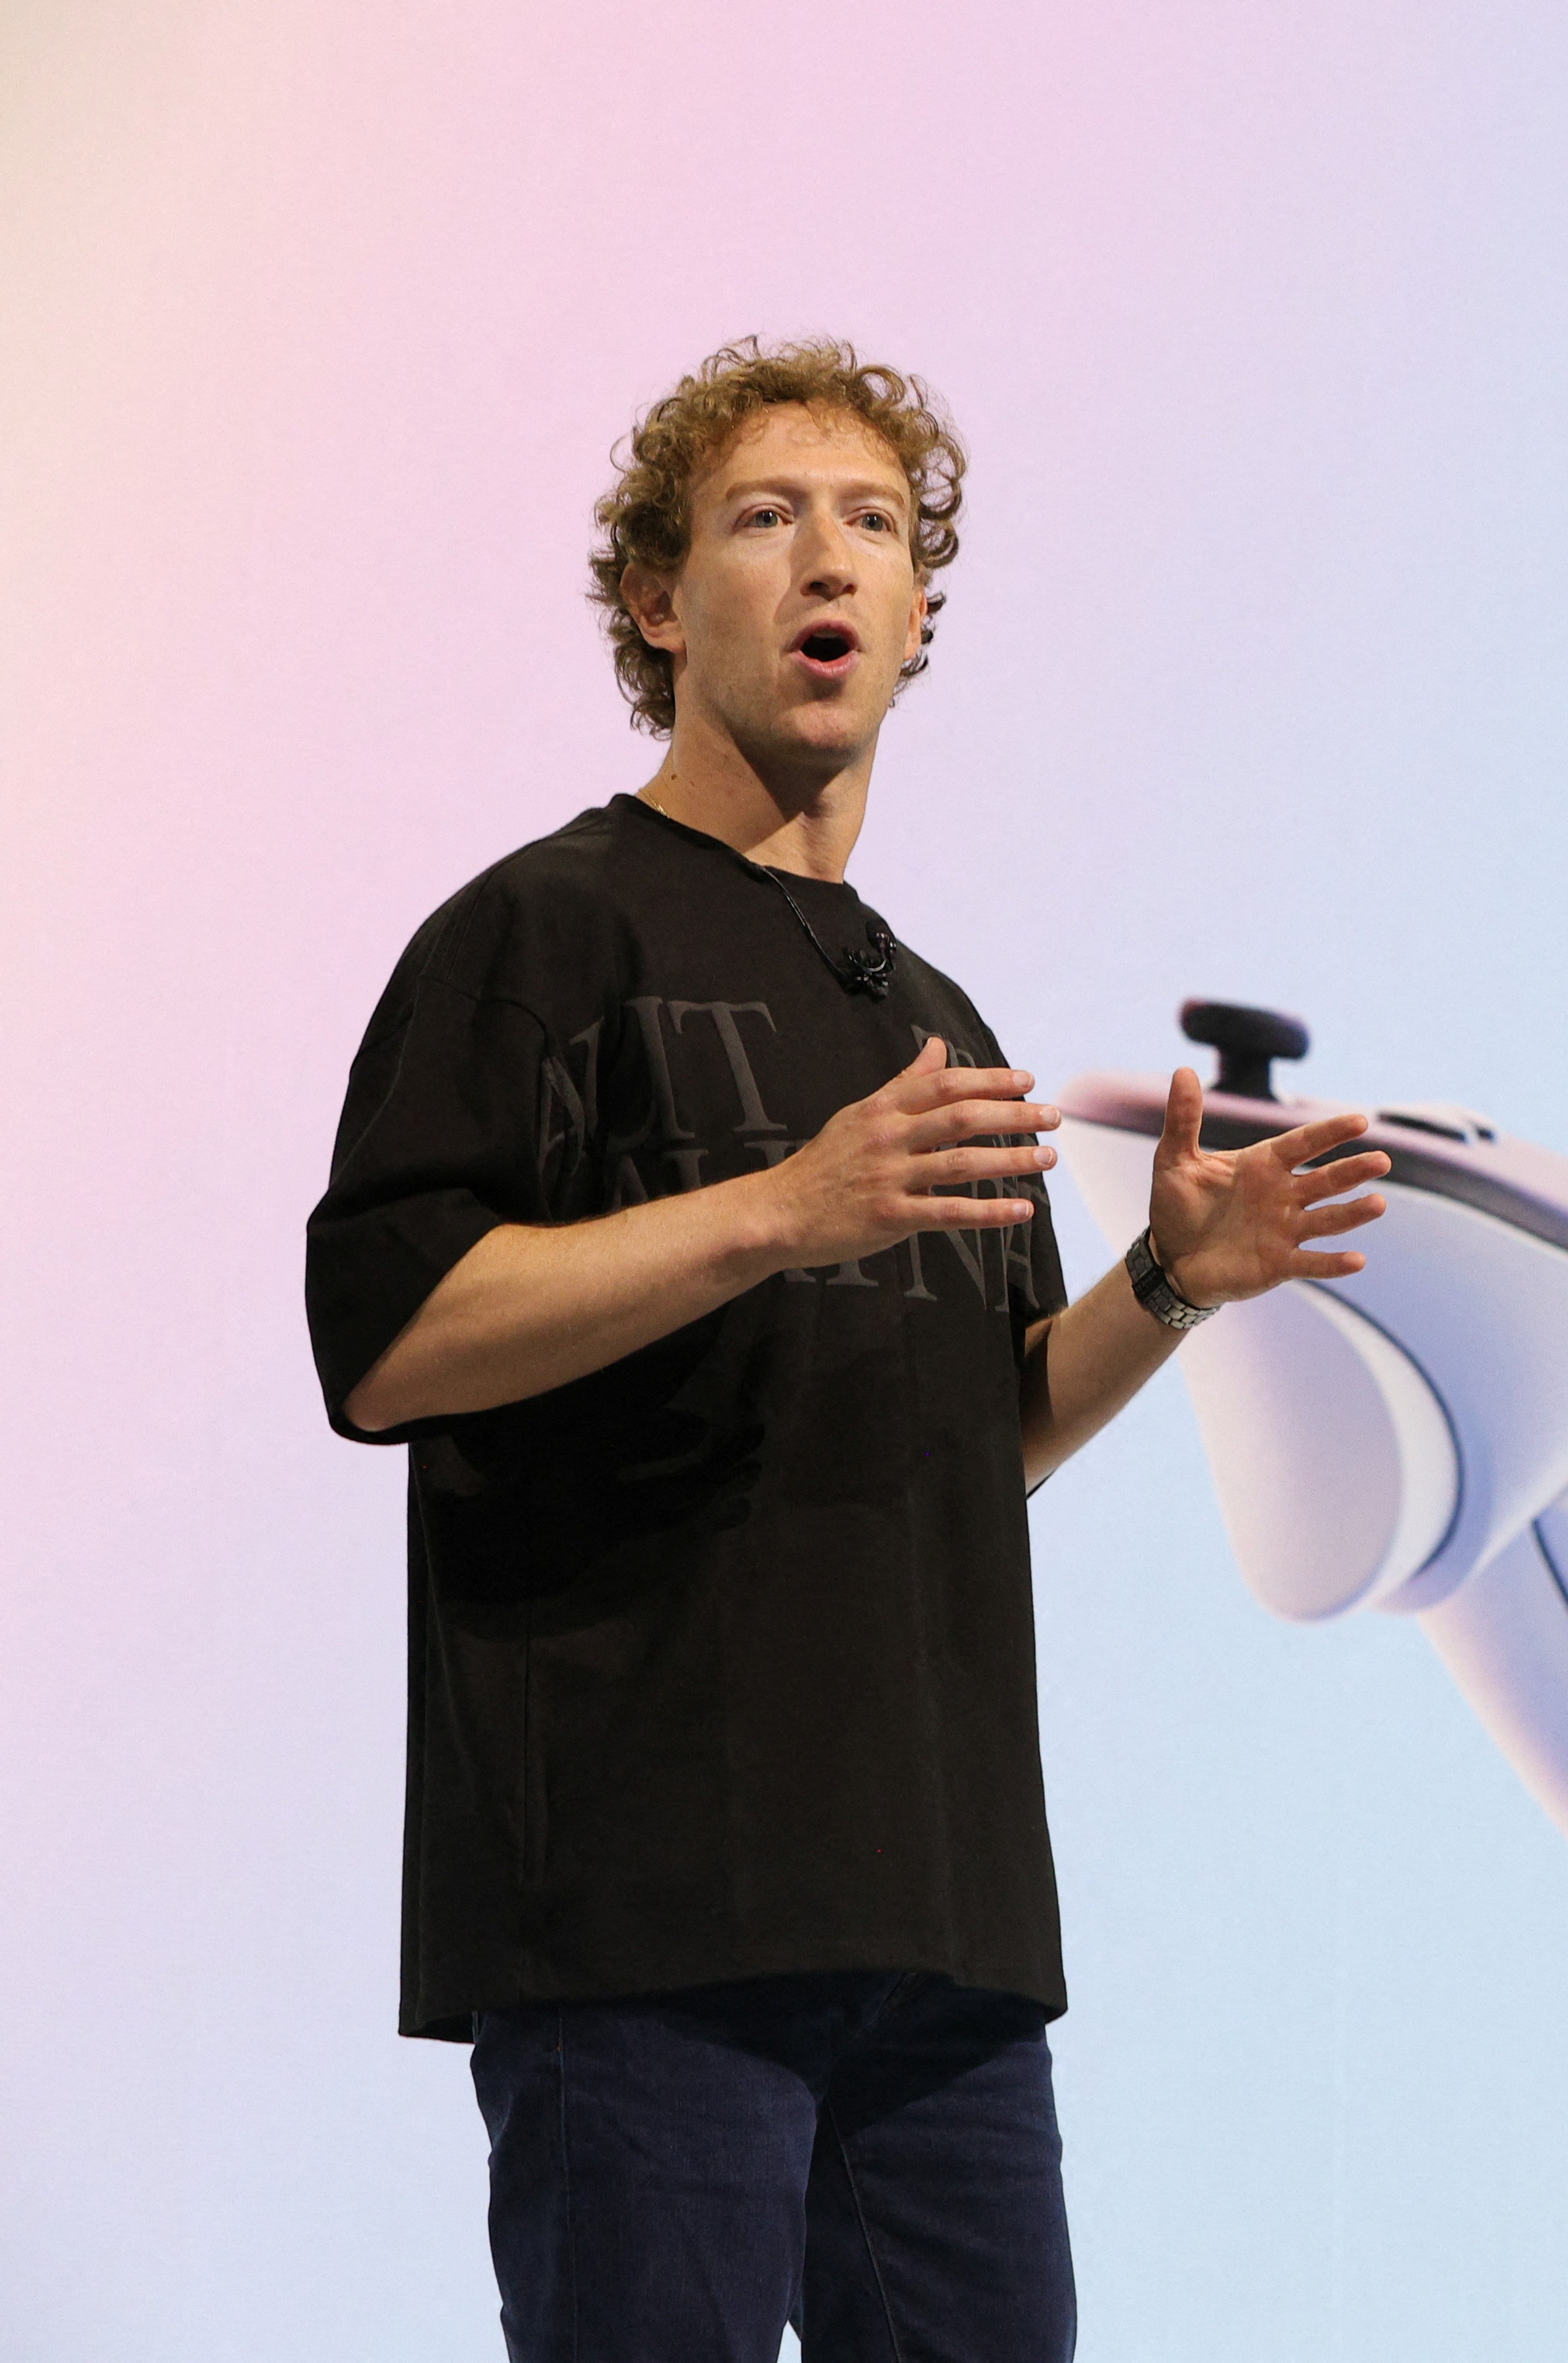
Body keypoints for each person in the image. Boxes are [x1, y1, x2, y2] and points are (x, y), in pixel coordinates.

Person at [303, 337, 1382, 2362]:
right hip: (648, 1928)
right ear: (658, 601)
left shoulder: (933, 1019)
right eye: (767, 516)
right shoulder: (542, 935)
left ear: (913, 619)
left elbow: (980, 1440)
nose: (829, 557)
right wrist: (777, 1211)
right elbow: (390, 1347)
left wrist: (1166, 1287)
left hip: (941, 1947)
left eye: (874, 524)